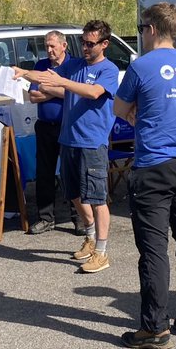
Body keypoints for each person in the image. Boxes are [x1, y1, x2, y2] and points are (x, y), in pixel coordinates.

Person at [114, 3, 176, 349]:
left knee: (154, 249)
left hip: (153, 165)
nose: (141, 34)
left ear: (152, 29)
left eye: (141, 29)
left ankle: (155, 327)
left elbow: (119, 108)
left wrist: (136, 114)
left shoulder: (141, 66)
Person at [16, 20, 119, 273]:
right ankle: (90, 237)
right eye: (83, 42)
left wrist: (62, 83)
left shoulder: (108, 69)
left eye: (90, 43)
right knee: (73, 193)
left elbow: (93, 93)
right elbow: (45, 77)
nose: (85, 47)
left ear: (104, 44)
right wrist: (22, 72)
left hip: (92, 142)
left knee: (97, 198)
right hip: (68, 139)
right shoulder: (75, 65)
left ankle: (102, 252)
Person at [26, 30, 74, 235]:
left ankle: (78, 218)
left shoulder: (73, 66)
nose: (49, 50)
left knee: (70, 172)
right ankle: (46, 218)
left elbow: (72, 93)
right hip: (45, 126)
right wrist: (58, 91)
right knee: (44, 173)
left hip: (67, 126)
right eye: (46, 46)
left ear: (64, 46)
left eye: (53, 46)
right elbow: (33, 96)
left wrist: (47, 88)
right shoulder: (41, 66)